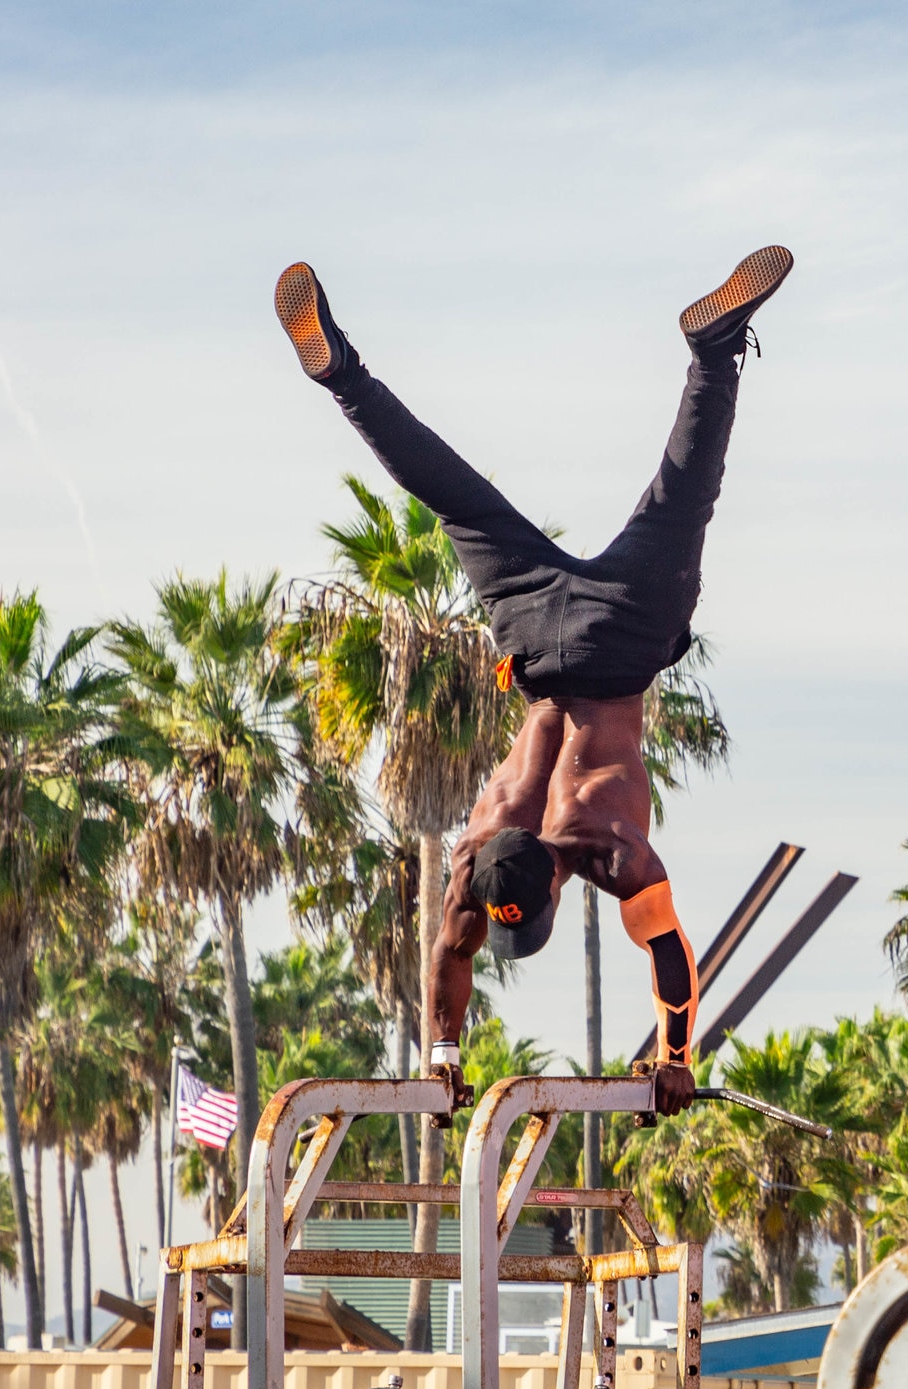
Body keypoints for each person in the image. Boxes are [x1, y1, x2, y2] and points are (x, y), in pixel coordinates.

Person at [274, 246, 792, 1117]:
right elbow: (449, 953)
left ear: (550, 885)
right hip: (534, 636)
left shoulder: (610, 853)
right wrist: (441, 1052)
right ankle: (344, 377)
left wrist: (677, 1054)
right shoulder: (474, 856)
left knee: (685, 495)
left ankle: (714, 351)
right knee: (455, 498)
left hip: (622, 641)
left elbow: (670, 954)